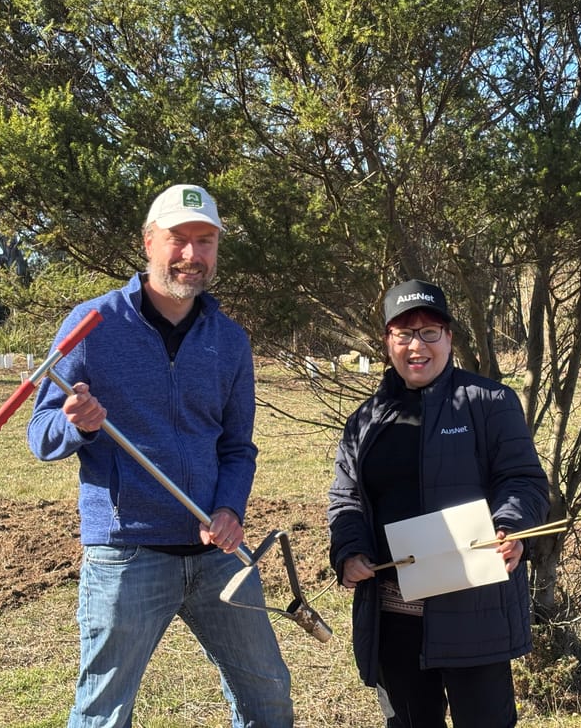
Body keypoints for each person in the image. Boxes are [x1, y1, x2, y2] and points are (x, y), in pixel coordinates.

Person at [27, 184, 293, 728]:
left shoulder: (229, 340)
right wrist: (75, 424)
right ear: (149, 242)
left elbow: (237, 447)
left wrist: (230, 508)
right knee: (103, 714)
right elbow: (40, 434)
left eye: (205, 241)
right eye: (178, 239)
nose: (192, 254)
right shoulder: (91, 325)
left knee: (268, 698)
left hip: (217, 554)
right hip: (127, 554)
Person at [327, 279, 550, 728]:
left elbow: (523, 481)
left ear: (448, 337)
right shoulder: (365, 420)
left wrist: (510, 526)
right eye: (404, 334)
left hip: (474, 608)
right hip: (393, 615)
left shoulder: (490, 403)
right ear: (387, 341)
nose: (417, 346)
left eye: (429, 332)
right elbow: (345, 497)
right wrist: (348, 551)